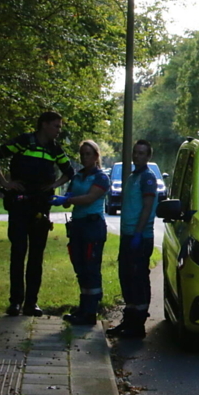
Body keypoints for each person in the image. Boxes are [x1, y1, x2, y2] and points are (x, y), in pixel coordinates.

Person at [0, 111, 73, 317]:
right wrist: (6, 183)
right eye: (56, 126)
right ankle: (15, 302)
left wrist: (53, 185)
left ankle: (31, 303)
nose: (58, 131)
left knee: (36, 255)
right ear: (43, 125)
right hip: (19, 205)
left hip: (41, 208)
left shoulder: (54, 149)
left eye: (60, 127)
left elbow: (69, 172)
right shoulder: (24, 142)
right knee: (18, 252)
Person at [50, 140, 110, 326]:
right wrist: (65, 199)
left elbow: (90, 197)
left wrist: (69, 199)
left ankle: (90, 312)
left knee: (91, 269)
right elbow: (70, 199)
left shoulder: (101, 178)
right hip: (77, 227)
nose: (85, 157)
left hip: (92, 227)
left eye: (88, 154)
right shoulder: (78, 176)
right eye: (82, 154)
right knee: (80, 268)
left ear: (96, 156)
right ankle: (84, 308)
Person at [107, 139, 158, 339]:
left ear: (148, 156)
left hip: (140, 236)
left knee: (138, 280)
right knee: (127, 278)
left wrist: (138, 232)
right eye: (135, 152)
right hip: (128, 236)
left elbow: (147, 207)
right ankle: (128, 320)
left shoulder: (147, 178)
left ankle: (138, 325)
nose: (137, 156)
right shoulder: (132, 177)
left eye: (142, 153)